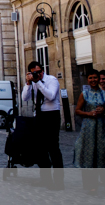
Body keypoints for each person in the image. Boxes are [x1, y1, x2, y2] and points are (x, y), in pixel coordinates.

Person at [22, 61, 64, 189]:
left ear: (43, 71)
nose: (38, 75)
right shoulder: (34, 83)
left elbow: (50, 96)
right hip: (39, 116)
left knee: (53, 147)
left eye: (39, 72)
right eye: (34, 73)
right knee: (40, 149)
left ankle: (58, 180)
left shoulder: (51, 80)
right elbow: (25, 98)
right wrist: (29, 83)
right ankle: (46, 179)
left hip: (52, 115)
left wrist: (38, 82)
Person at [73, 69, 105, 194]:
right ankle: (92, 185)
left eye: (95, 77)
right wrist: (88, 113)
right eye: (90, 78)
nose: (93, 80)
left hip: (102, 127)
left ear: (99, 79)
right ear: (88, 80)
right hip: (89, 128)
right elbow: (77, 110)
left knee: (103, 154)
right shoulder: (84, 94)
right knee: (90, 155)